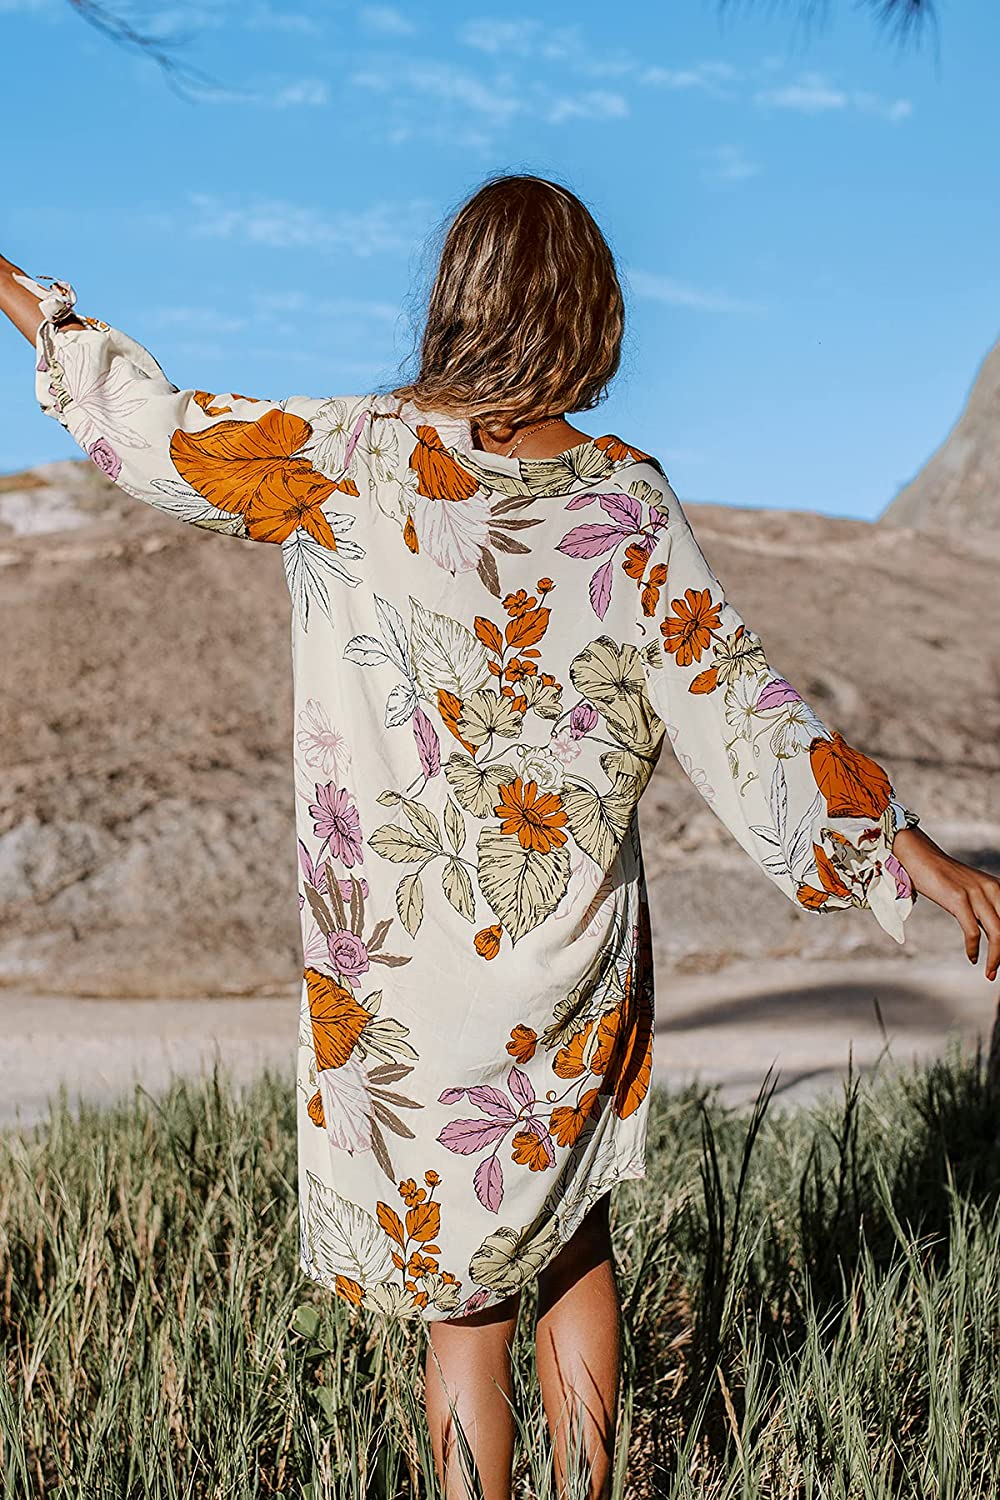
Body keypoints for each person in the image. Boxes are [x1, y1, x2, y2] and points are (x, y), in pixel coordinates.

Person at [2, 173, 997, 1500]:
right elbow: (738, 702)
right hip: (576, 962)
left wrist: (28, 302)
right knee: (578, 1247)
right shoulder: (624, 500)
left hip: (414, 989)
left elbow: (162, 434)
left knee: (462, 1317)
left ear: (457, 296)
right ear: (592, 311)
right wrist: (899, 844)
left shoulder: (352, 455)